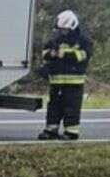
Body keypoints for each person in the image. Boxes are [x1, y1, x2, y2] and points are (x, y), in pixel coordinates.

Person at [39, 9, 93, 140]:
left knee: (71, 107)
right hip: (56, 81)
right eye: (61, 29)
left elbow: (84, 55)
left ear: (72, 27)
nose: (63, 32)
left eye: (65, 29)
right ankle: (51, 130)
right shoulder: (56, 38)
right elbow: (44, 52)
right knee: (54, 106)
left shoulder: (82, 39)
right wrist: (51, 54)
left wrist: (65, 55)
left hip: (74, 82)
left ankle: (71, 132)